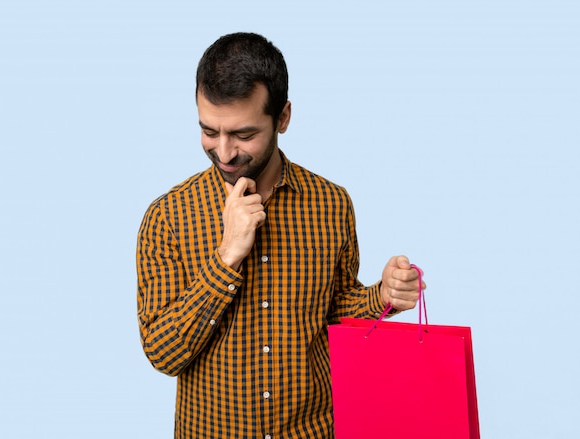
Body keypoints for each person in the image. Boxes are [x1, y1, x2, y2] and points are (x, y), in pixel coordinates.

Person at [136, 32, 425, 439]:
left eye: (243, 134)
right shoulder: (167, 217)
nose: (223, 152)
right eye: (209, 131)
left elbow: (333, 313)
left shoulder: (331, 203)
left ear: (283, 117)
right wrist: (225, 259)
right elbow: (164, 353)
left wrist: (383, 296)